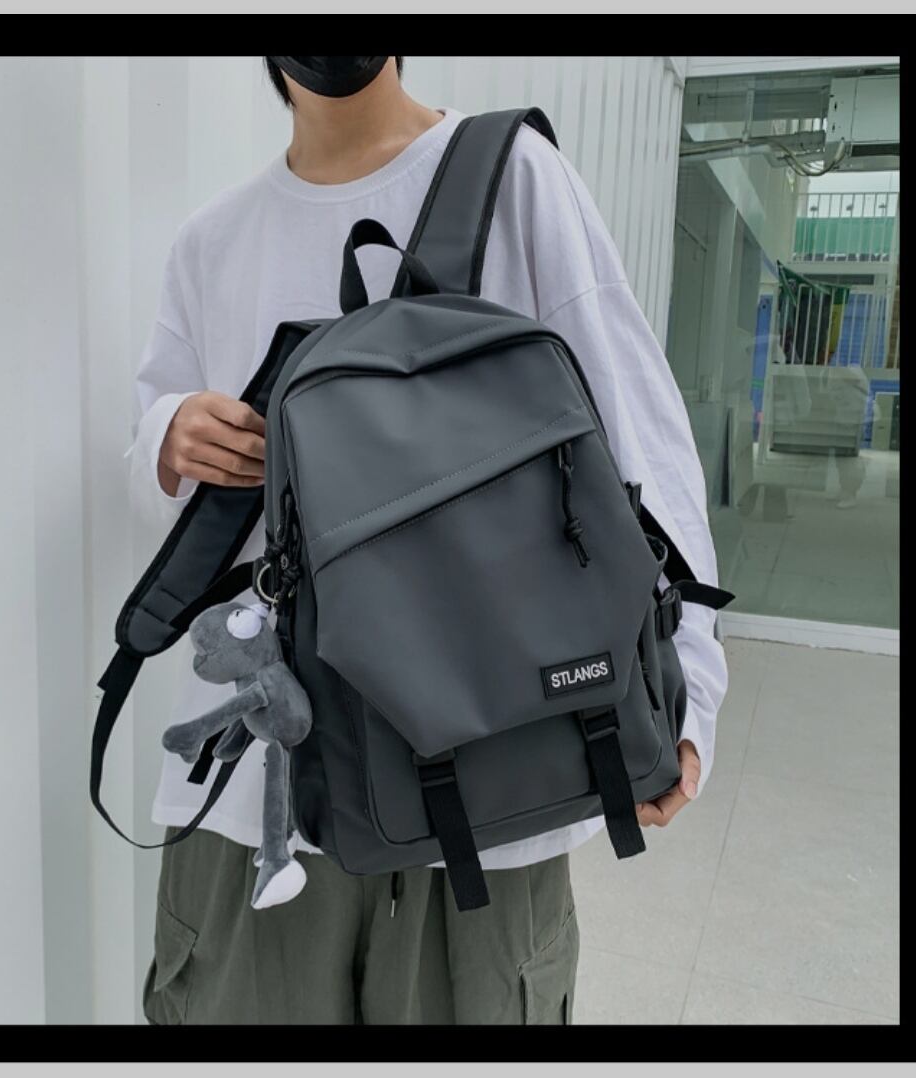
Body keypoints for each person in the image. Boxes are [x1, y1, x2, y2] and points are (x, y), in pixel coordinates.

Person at [127, 56, 729, 1025]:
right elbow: (175, 510)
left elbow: (634, 424)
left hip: (491, 763)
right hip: (261, 789)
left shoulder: (512, 174)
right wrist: (166, 438)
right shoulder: (212, 240)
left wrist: (688, 689)